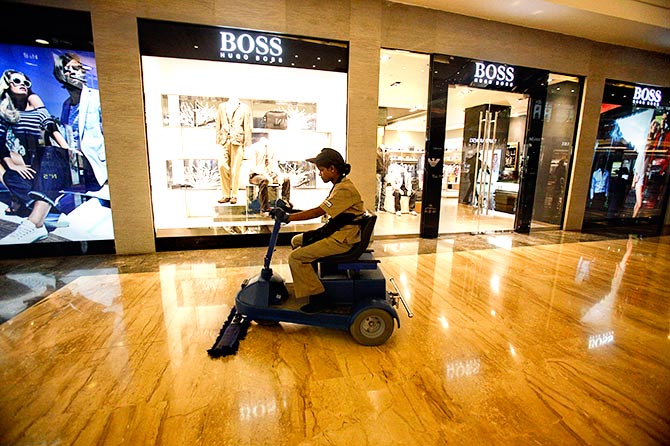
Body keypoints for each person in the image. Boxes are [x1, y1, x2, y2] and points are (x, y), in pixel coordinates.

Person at [272, 148, 365, 313]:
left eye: (321, 170)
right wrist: (290, 213)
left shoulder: (344, 189)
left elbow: (318, 212)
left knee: (295, 258)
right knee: (296, 241)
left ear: (332, 169)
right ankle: (310, 278)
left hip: (342, 239)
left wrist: (288, 218)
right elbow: (322, 208)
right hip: (338, 233)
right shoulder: (340, 185)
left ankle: (319, 299)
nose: (320, 174)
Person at [0, 69, 79, 244]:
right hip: (33, 164)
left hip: (52, 158)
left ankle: (33, 223)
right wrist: (11, 165)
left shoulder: (33, 100)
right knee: (11, 176)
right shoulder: (5, 111)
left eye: (26, 82)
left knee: (49, 154)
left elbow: (49, 125)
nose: (23, 85)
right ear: (7, 84)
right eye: (17, 81)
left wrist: (66, 149)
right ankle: (44, 215)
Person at [53, 52, 107, 190]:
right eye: (69, 69)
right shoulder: (66, 105)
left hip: (99, 167)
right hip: (77, 170)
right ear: (61, 74)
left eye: (78, 68)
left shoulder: (96, 97)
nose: (76, 73)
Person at [216, 97, 251, 204]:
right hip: (224, 140)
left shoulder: (245, 108)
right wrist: (218, 139)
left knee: (235, 170)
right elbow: (218, 124)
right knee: (222, 166)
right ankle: (225, 194)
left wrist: (246, 144)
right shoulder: (222, 106)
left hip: (238, 140)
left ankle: (234, 195)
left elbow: (248, 126)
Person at [247, 137, 291, 212]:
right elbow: (253, 167)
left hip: (269, 173)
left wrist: (277, 174)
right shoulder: (254, 148)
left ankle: (285, 202)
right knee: (264, 180)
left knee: (286, 179)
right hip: (256, 174)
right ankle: (264, 206)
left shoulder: (272, 149)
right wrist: (264, 174)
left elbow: (274, 165)